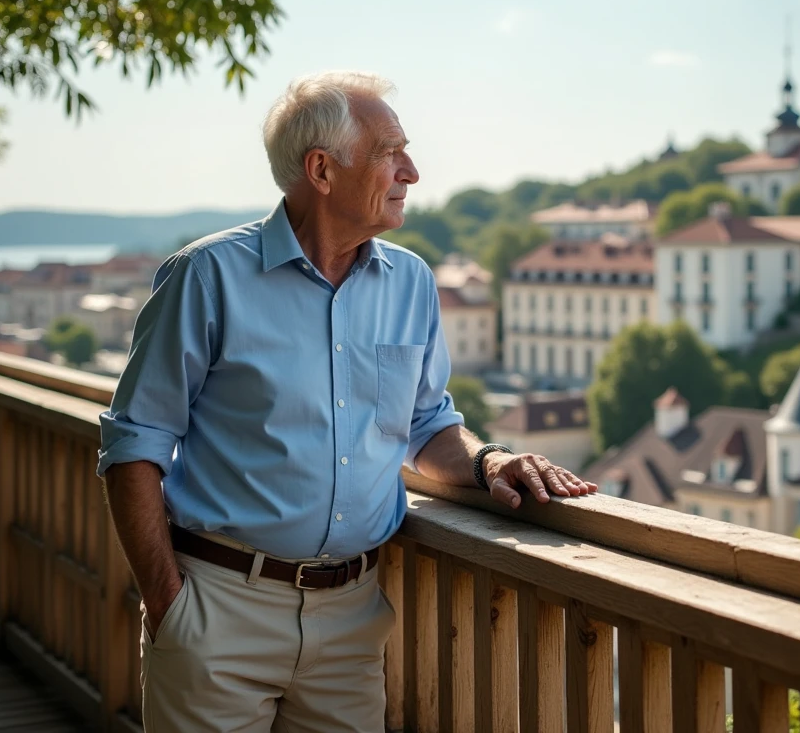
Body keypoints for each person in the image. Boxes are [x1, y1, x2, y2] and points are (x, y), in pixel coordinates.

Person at [98, 71, 597, 732]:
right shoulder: (206, 275)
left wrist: (489, 461)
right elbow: (134, 441)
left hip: (352, 619)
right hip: (218, 608)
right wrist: (167, 601)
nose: (412, 171)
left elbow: (426, 423)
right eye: (391, 151)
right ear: (322, 170)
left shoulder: (412, 282)